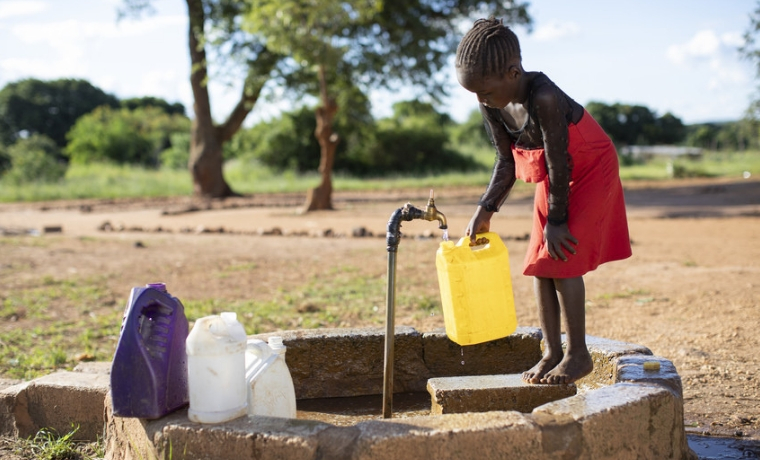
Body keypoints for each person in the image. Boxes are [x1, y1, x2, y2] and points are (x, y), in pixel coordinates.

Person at [455, 18, 632, 385]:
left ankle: (578, 354)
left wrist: (557, 220)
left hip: (588, 165)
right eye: (474, 93)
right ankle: (551, 351)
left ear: (513, 72)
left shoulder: (544, 97)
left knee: (561, 256)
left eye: (484, 91)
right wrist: (484, 210)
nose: (480, 99)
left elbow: (559, 160)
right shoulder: (492, 102)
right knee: (538, 261)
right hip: (556, 173)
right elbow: (506, 160)